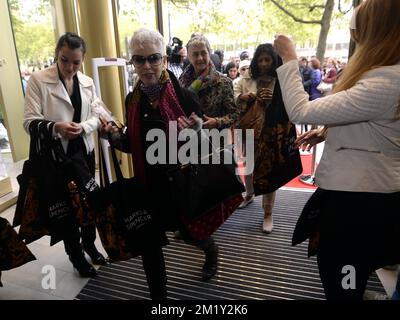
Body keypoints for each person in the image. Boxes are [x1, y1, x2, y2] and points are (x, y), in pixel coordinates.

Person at [274, 0, 400, 300]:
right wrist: (329, 131)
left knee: (341, 280)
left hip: (358, 207)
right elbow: (374, 125)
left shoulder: (386, 81)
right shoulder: (385, 74)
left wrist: (289, 57)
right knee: (348, 275)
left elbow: (301, 110)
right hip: (367, 199)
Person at [101, 28, 220, 300]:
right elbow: (134, 145)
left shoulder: (185, 96)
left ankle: (211, 252)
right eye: (139, 60)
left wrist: (196, 130)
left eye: (153, 58)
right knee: (149, 247)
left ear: (164, 59)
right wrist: (114, 137)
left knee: (191, 233)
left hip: (180, 182)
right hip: (148, 186)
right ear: (132, 63)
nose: (146, 66)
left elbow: (204, 147)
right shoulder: (133, 100)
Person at [23, 32, 108, 278]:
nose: (70, 67)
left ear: (82, 59)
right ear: (57, 55)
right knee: (68, 210)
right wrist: (55, 127)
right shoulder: (38, 80)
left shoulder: (88, 82)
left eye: (75, 62)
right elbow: (29, 122)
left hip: (83, 153)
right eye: (64, 60)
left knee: (89, 202)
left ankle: (90, 245)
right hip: (56, 158)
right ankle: (76, 256)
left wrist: (84, 127)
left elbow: (97, 114)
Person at [233, 43, 280, 234]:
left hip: (270, 130)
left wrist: (273, 99)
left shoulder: (280, 79)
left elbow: (289, 106)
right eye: (260, 59)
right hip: (250, 128)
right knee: (249, 165)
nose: (263, 64)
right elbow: (234, 97)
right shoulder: (246, 78)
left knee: (269, 172)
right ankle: (250, 194)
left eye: (267, 59)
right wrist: (245, 97)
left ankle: (268, 213)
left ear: (273, 60)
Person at [180, 34, 239, 132]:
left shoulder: (223, 82)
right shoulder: (182, 81)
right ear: (189, 57)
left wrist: (217, 122)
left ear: (209, 54)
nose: (200, 58)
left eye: (203, 53)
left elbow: (235, 114)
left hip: (214, 140)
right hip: (189, 140)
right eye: (195, 54)